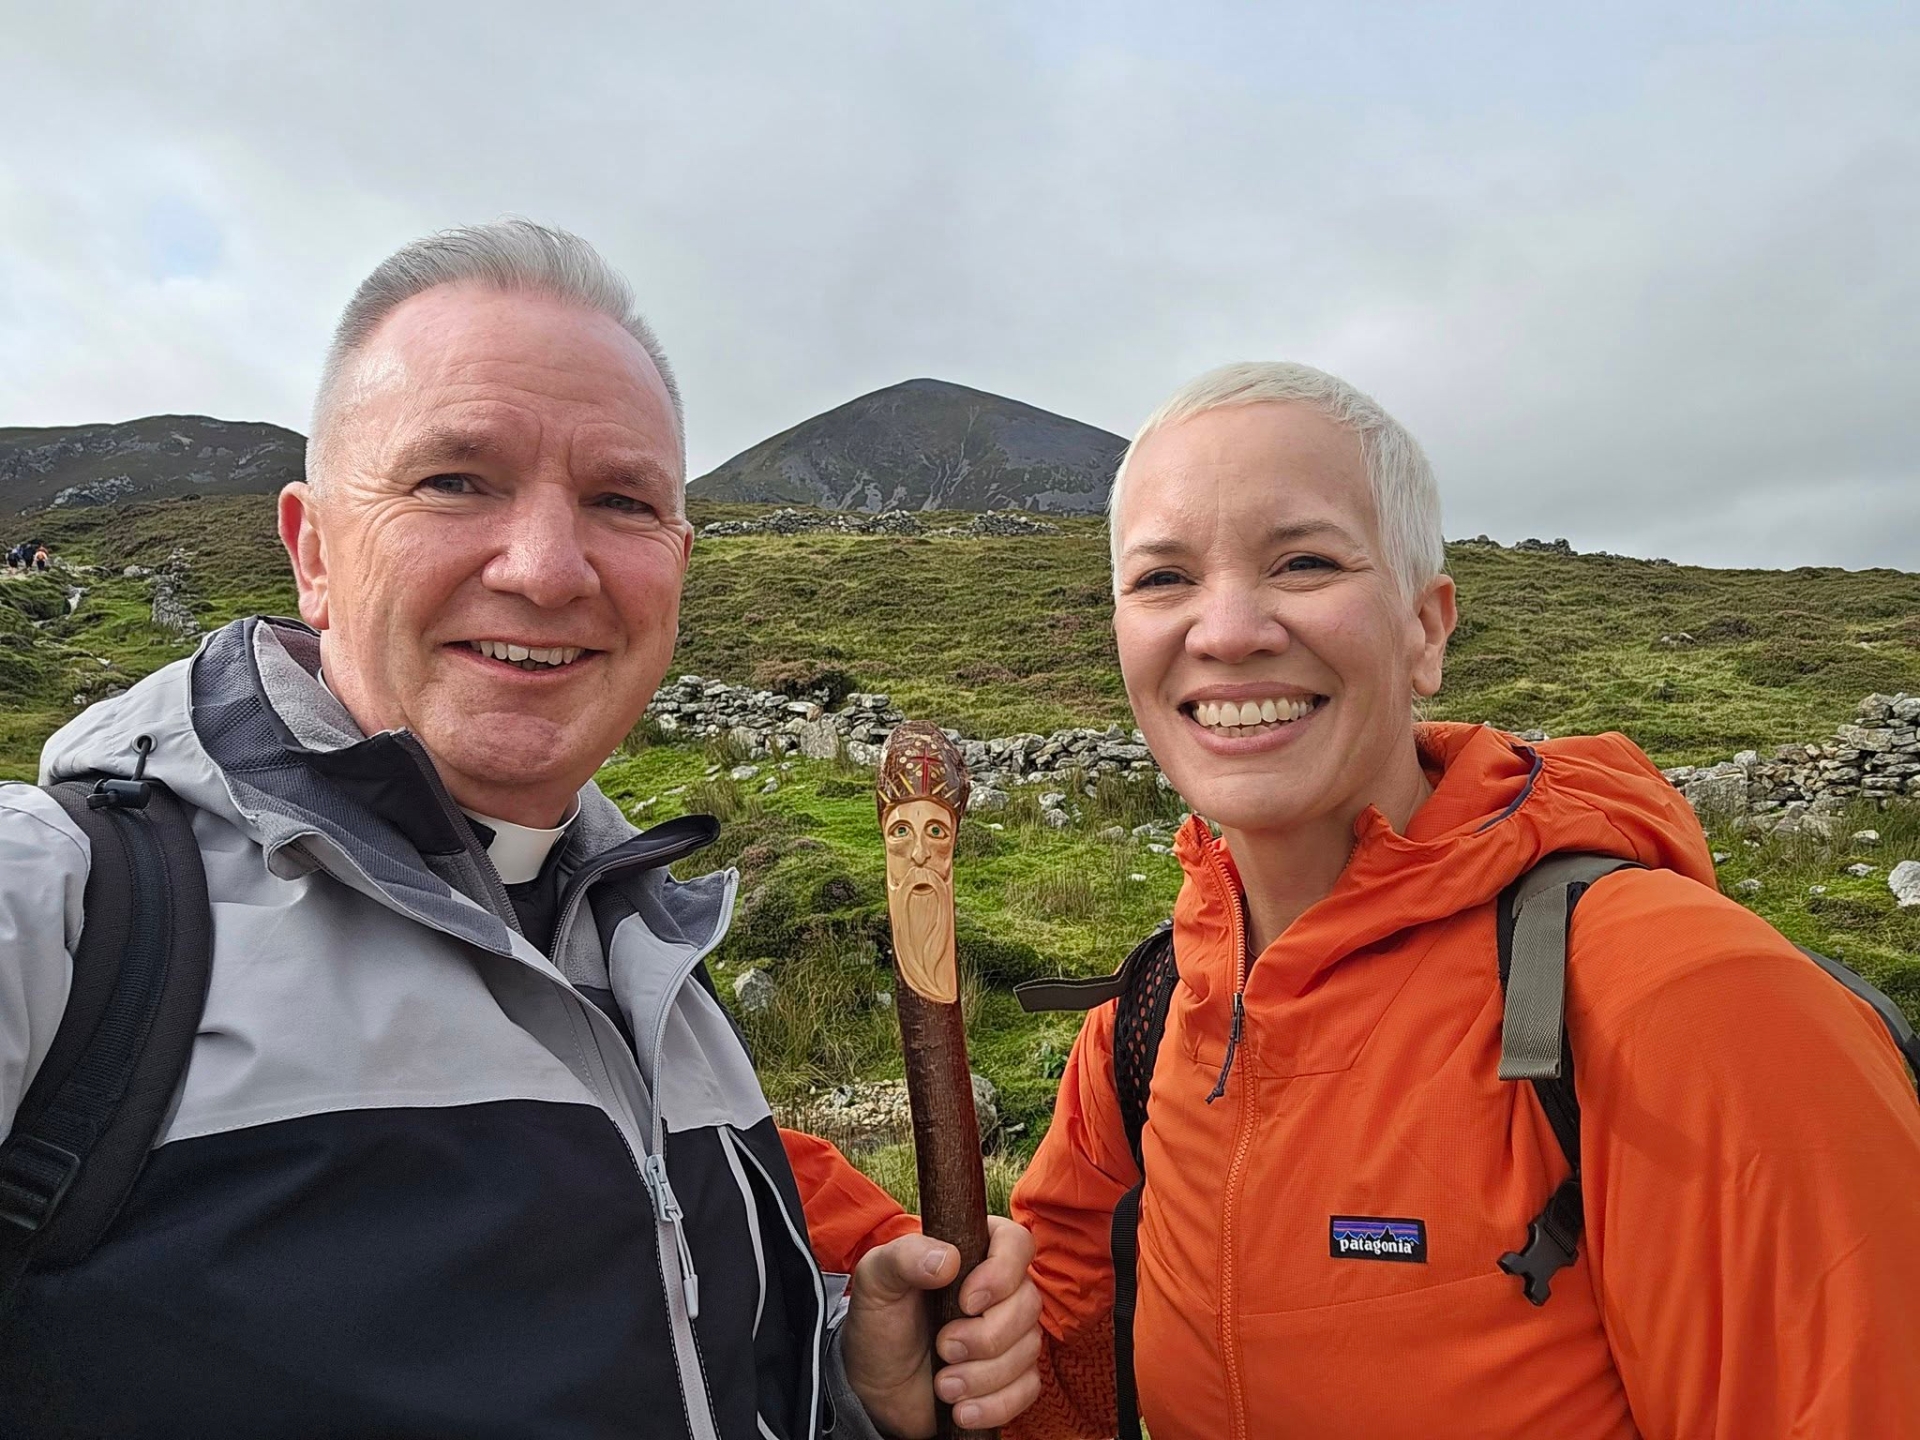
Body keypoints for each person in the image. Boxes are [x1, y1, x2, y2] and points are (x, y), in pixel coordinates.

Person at [0, 221, 1041, 1438]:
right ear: (313, 550)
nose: (548, 569)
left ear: (678, 566)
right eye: (454, 481)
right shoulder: (60, 916)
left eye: (621, 501)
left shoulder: (661, 971)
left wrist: (841, 1387)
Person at [1005, 362, 1920, 1439]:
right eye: (1163, 578)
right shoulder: (1149, 1023)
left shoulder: (1691, 1006)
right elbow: (1043, 1382)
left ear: (1425, 629)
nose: (1228, 630)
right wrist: (913, 1351)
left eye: (1304, 562)